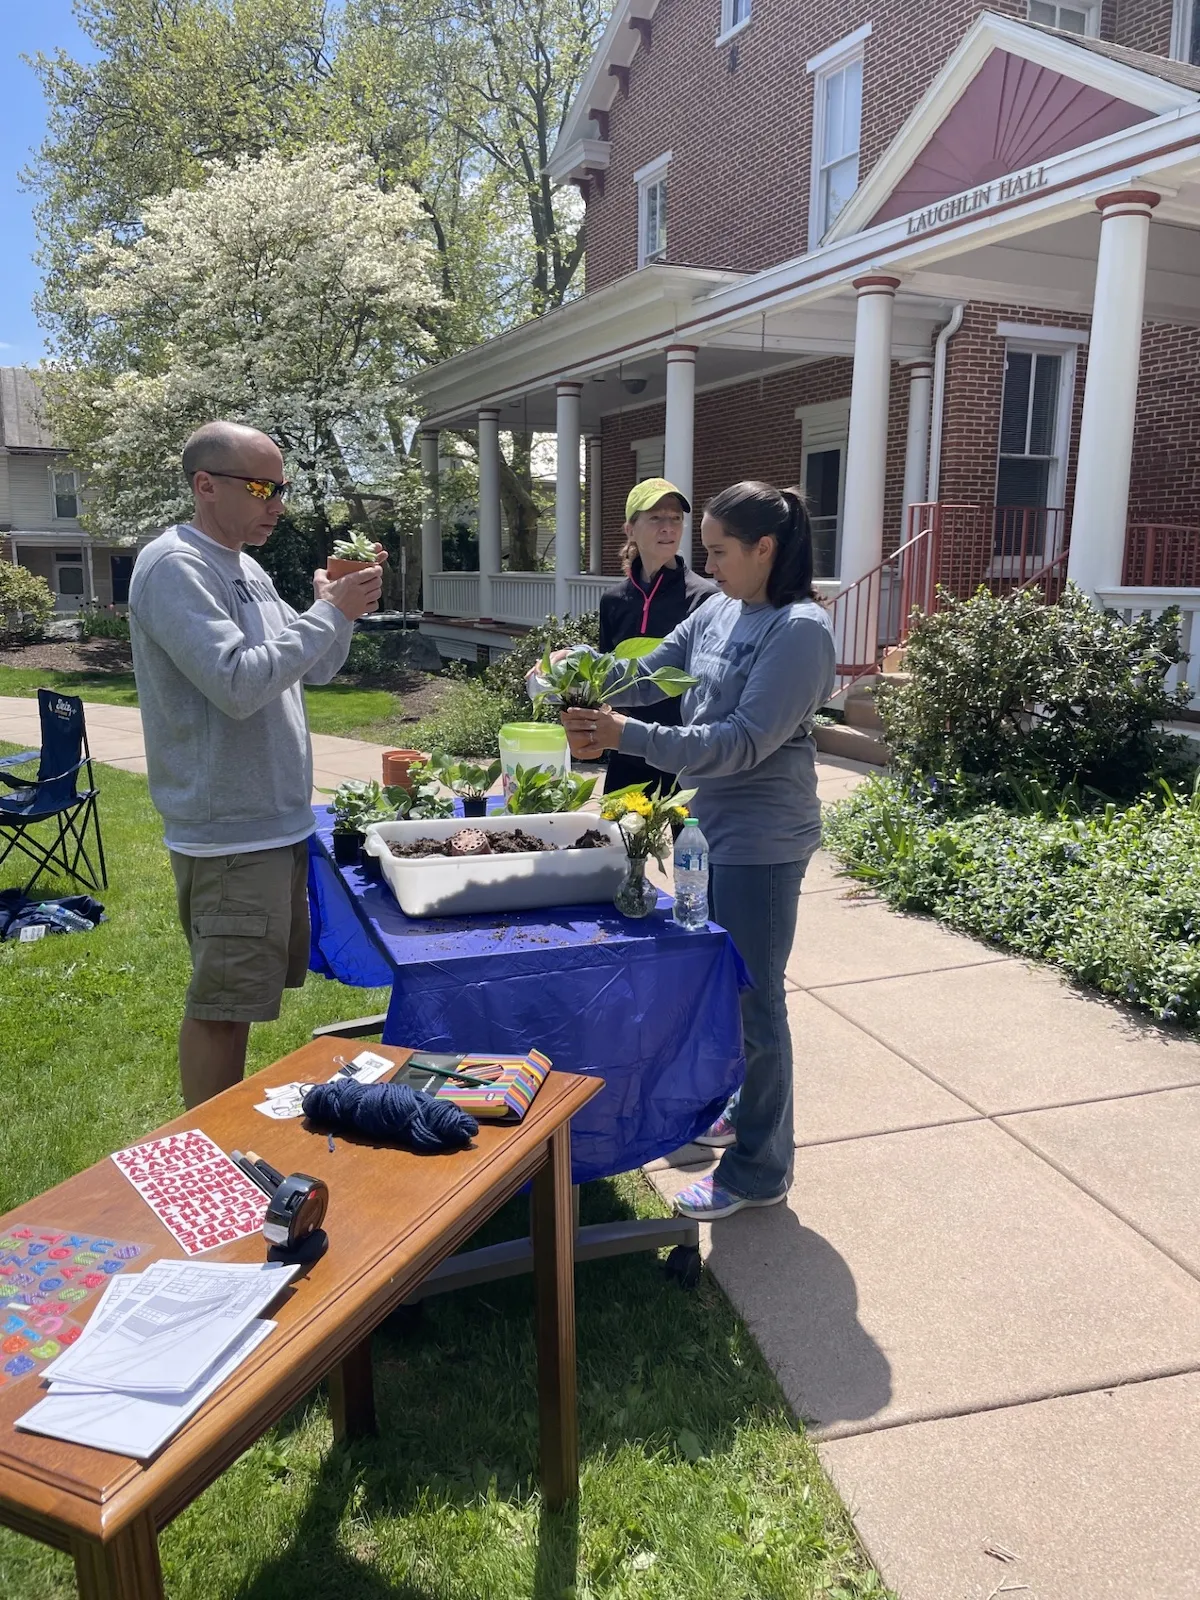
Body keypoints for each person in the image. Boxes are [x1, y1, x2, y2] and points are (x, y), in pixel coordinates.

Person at [552, 481, 835, 1220]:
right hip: (709, 826)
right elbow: (648, 673)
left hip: (763, 838)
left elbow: (741, 742)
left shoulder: (800, 630)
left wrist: (627, 736)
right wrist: (574, 671)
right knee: (724, 984)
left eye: (718, 551)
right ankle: (741, 1112)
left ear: (764, 549)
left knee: (756, 1002)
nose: (706, 566)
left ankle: (760, 1170)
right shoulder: (718, 610)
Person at [129, 421, 386, 1109]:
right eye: (261, 487)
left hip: (272, 824)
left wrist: (341, 609)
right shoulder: (175, 565)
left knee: (240, 1002)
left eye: (281, 488)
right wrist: (327, 611)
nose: (277, 503)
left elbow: (312, 669)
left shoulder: (247, 568)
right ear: (205, 485)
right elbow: (238, 684)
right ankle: (208, 1146)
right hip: (230, 834)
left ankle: (220, 1134)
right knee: (221, 1007)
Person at [597, 478, 717, 797]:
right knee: (618, 826)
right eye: (655, 518)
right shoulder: (613, 601)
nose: (668, 527)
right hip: (627, 747)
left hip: (680, 749)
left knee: (683, 830)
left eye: (675, 518)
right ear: (630, 529)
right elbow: (605, 673)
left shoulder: (705, 598)